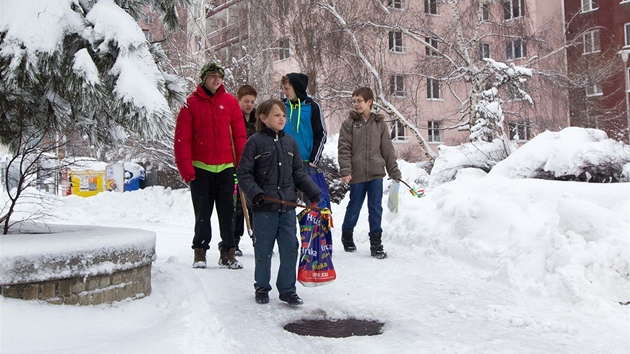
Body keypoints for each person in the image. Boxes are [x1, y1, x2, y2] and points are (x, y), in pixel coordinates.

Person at [237, 99, 321, 306]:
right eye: (277, 115)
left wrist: (314, 193)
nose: (282, 118)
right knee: (263, 249)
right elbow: (244, 173)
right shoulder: (255, 142)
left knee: (290, 248)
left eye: (284, 115)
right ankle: (262, 286)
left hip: (288, 208)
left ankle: (287, 289)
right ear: (264, 118)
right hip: (264, 208)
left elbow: (298, 173)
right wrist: (255, 194)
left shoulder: (290, 143)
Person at [174, 62, 247, 269]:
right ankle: (200, 251)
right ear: (204, 78)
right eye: (213, 76)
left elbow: (240, 136)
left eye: (220, 76)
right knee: (202, 214)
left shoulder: (230, 102)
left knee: (228, 214)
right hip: (200, 169)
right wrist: (186, 169)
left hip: (226, 168)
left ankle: (228, 252)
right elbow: (182, 140)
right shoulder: (190, 104)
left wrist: (240, 165)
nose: (217, 79)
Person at [337, 87, 402, 259]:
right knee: (354, 207)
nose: (356, 104)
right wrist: (346, 170)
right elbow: (344, 149)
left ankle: (376, 243)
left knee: (375, 208)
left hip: (376, 174)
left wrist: (394, 171)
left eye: (359, 100)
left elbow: (387, 150)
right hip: (356, 174)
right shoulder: (349, 124)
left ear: (369, 102)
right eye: (354, 101)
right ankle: (347, 233)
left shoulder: (380, 124)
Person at [280, 73, 330, 208]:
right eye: (283, 89)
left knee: (312, 203)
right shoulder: (281, 106)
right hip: (286, 162)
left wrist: (314, 159)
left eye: (287, 88)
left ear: (296, 88)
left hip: (307, 163)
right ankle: (289, 229)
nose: (284, 92)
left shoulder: (312, 106)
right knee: (286, 202)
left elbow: (322, 133)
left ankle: (311, 229)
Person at [233, 84, 258, 256]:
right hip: (237, 167)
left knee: (255, 203)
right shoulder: (234, 119)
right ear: (239, 101)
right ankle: (233, 241)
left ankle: (259, 238)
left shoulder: (258, 121)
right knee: (236, 207)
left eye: (252, 101)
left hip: (254, 169)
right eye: (246, 101)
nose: (249, 105)